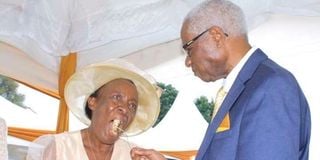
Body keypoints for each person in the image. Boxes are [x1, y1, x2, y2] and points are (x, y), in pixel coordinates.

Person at [130, 0, 311, 160]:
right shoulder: (245, 88)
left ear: (216, 36)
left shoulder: (270, 87)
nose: (188, 61)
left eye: (189, 49)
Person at [27, 59, 161, 160]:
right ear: (93, 102)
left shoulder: (134, 155)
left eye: (132, 105)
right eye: (116, 97)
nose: (125, 109)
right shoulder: (58, 147)